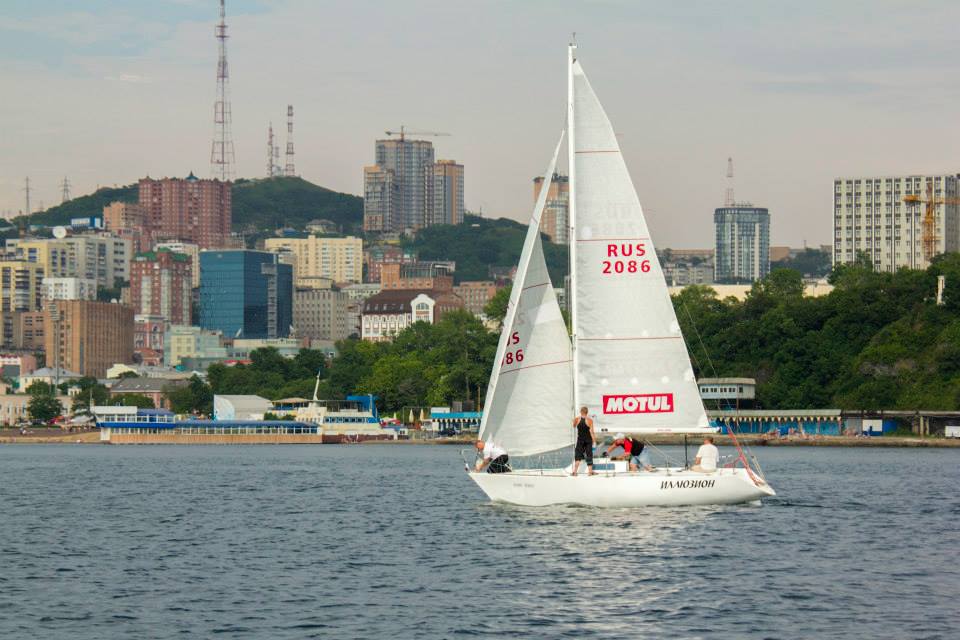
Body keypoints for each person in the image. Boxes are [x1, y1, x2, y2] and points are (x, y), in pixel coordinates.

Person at [571, 406, 596, 476]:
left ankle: (575, 472)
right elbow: (592, 432)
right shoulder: (590, 420)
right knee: (589, 455)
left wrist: (574, 421)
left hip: (580, 440)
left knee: (578, 456)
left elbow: (574, 426)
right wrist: (594, 441)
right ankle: (590, 472)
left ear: (581, 412)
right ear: (587, 412)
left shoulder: (577, 419)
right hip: (588, 440)